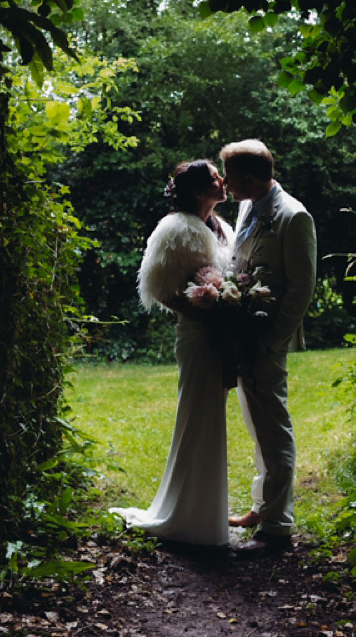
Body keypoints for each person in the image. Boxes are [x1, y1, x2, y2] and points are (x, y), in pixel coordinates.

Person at [109, 160, 234, 546]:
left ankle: (205, 509)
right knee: (198, 418)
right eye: (215, 177)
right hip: (198, 338)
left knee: (212, 420)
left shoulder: (219, 227)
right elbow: (161, 291)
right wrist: (205, 309)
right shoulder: (175, 228)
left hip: (221, 336)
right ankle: (187, 516)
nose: (222, 180)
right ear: (197, 191)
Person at [219, 139, 317, 558]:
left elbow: (301, 287)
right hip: (244, 332)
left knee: (273, 427)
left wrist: (274, 338)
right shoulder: (246, 206)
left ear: (249, 178)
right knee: (255, 422)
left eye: (229, 175)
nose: (224, 182)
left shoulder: (293, 217)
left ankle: (277, 527)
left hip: (269, 337)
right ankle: (263, 507)